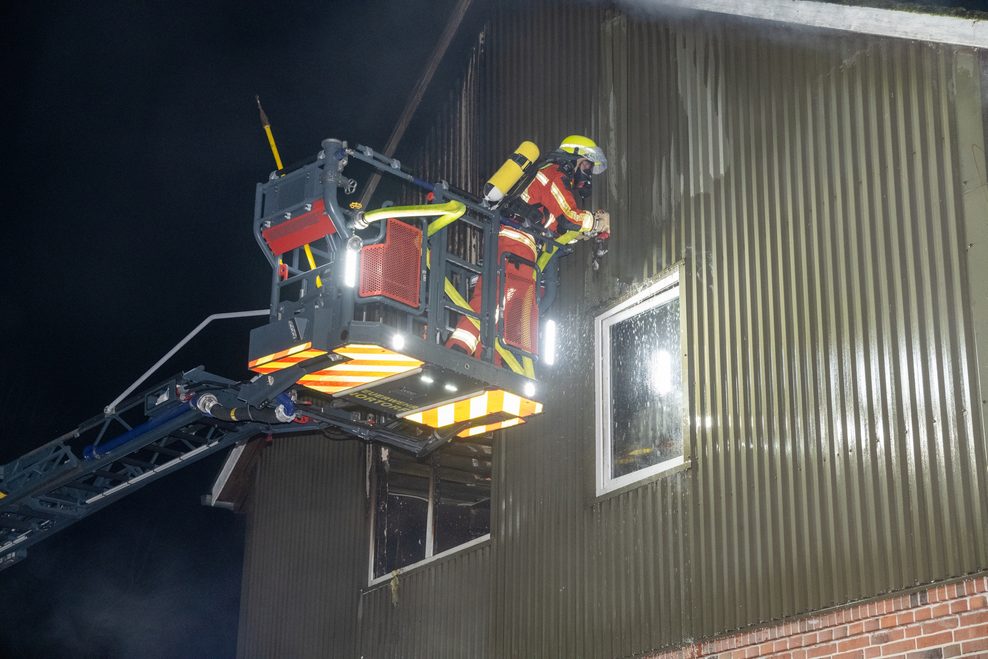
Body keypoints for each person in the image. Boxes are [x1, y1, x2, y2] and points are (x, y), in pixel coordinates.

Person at [446, 135, 610, 362]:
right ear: (573, 157)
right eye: (587, 165)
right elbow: (569, 217)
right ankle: (468, 353)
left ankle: (479, 356)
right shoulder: (554, 173)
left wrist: (583, 233)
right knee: (505, 300)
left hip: (513, 240)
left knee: (501, 302)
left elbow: (557, 228)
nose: (587, 173)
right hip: (517, 242)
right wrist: (595, 221)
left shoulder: (544, 179)